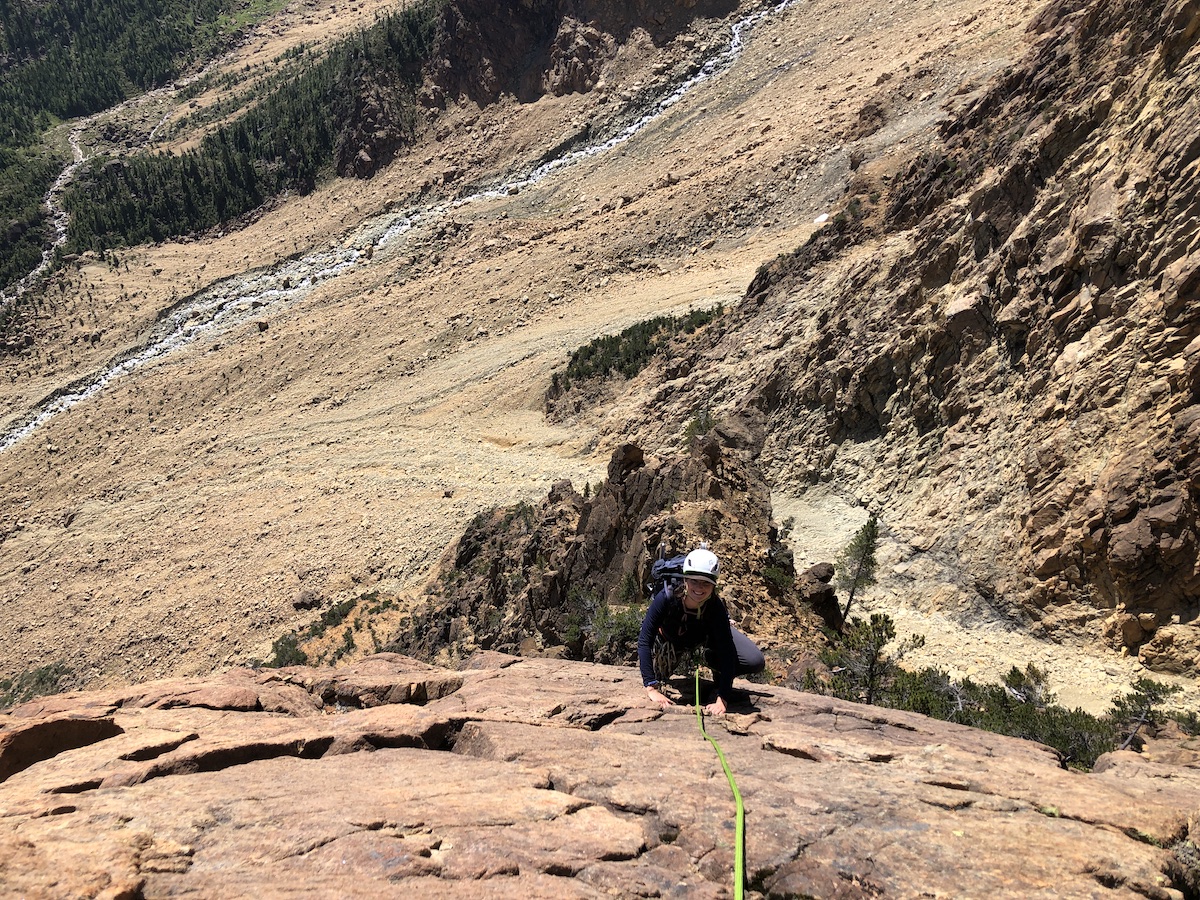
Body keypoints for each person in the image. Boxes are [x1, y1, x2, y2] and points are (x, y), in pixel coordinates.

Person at [638, 544, 765, 716]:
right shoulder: (666, 597)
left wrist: (723, 697)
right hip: (670, 640)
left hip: (703, 639)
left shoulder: (715, 607)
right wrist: (651, 687)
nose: (699, 588)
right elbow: (645, 640)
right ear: (685, 580)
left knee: (754, 660)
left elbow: (727, 650)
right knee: (661, 672)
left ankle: (714, 666)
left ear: (714, 586)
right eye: (694, 581)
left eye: (706, 583)